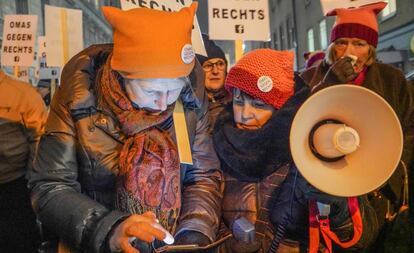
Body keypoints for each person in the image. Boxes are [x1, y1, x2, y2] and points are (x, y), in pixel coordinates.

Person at [28, 3, 223, 253]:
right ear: (122, 76)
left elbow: (203, 177)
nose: (163, 103)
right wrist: (109, 229)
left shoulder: (190, 101)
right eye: (151, 91)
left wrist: (193, 234)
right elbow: (50, 186)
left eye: (172, 90)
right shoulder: (78, 96)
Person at [213, 49, 378, 253]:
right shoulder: (218, 144)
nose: (245, 114)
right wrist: (228, 246)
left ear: (281, 107)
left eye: (258, 104)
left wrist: (340, 211)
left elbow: (362, 237)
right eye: (239, 101)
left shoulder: (313, 144)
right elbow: (209, 215)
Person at [300, 2, 414, 252]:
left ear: (370, 49)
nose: (348, 51)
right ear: (332, 46)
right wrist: (329, 84)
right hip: (327, 190)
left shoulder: (391, 80)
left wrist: (389, 170)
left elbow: (407, 129)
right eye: (341, 42)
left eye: (359, 44)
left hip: (378, 193)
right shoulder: (309, 79)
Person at [0, 69, 47, 252]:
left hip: (14, 187)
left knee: (17, 240)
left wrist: (32, 182)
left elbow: (40, 140)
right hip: (16, 186)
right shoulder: (24, 93)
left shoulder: (23, 94)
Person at [196, 34, 231, 133]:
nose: (215, 71)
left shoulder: (236, 103)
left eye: (220, 64)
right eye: (208, 66)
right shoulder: (190, 106)